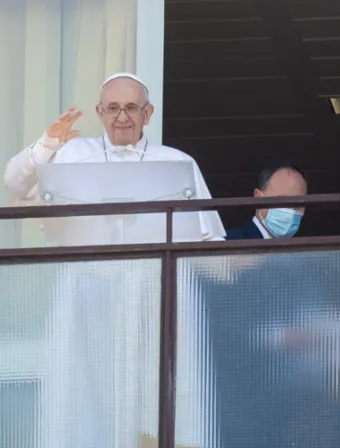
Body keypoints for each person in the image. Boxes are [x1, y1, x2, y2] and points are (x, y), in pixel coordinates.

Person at [3, 73, 225, 447]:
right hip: (89, 297)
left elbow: (210, 242)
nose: (122, 117)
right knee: (86, 398)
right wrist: (46, 145)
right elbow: (16, 185)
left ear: (148, 112)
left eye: (132, 108)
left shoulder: (176, 161)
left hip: (157, 300)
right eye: (113, 108)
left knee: (159, 401)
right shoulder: (72, 155)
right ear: (99, 112)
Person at [225, 165, 307, 240]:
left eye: (297, 204)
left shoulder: (306, 251)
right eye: (282, 200)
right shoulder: (231, 243)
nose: (290, 210)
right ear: (258, 197)